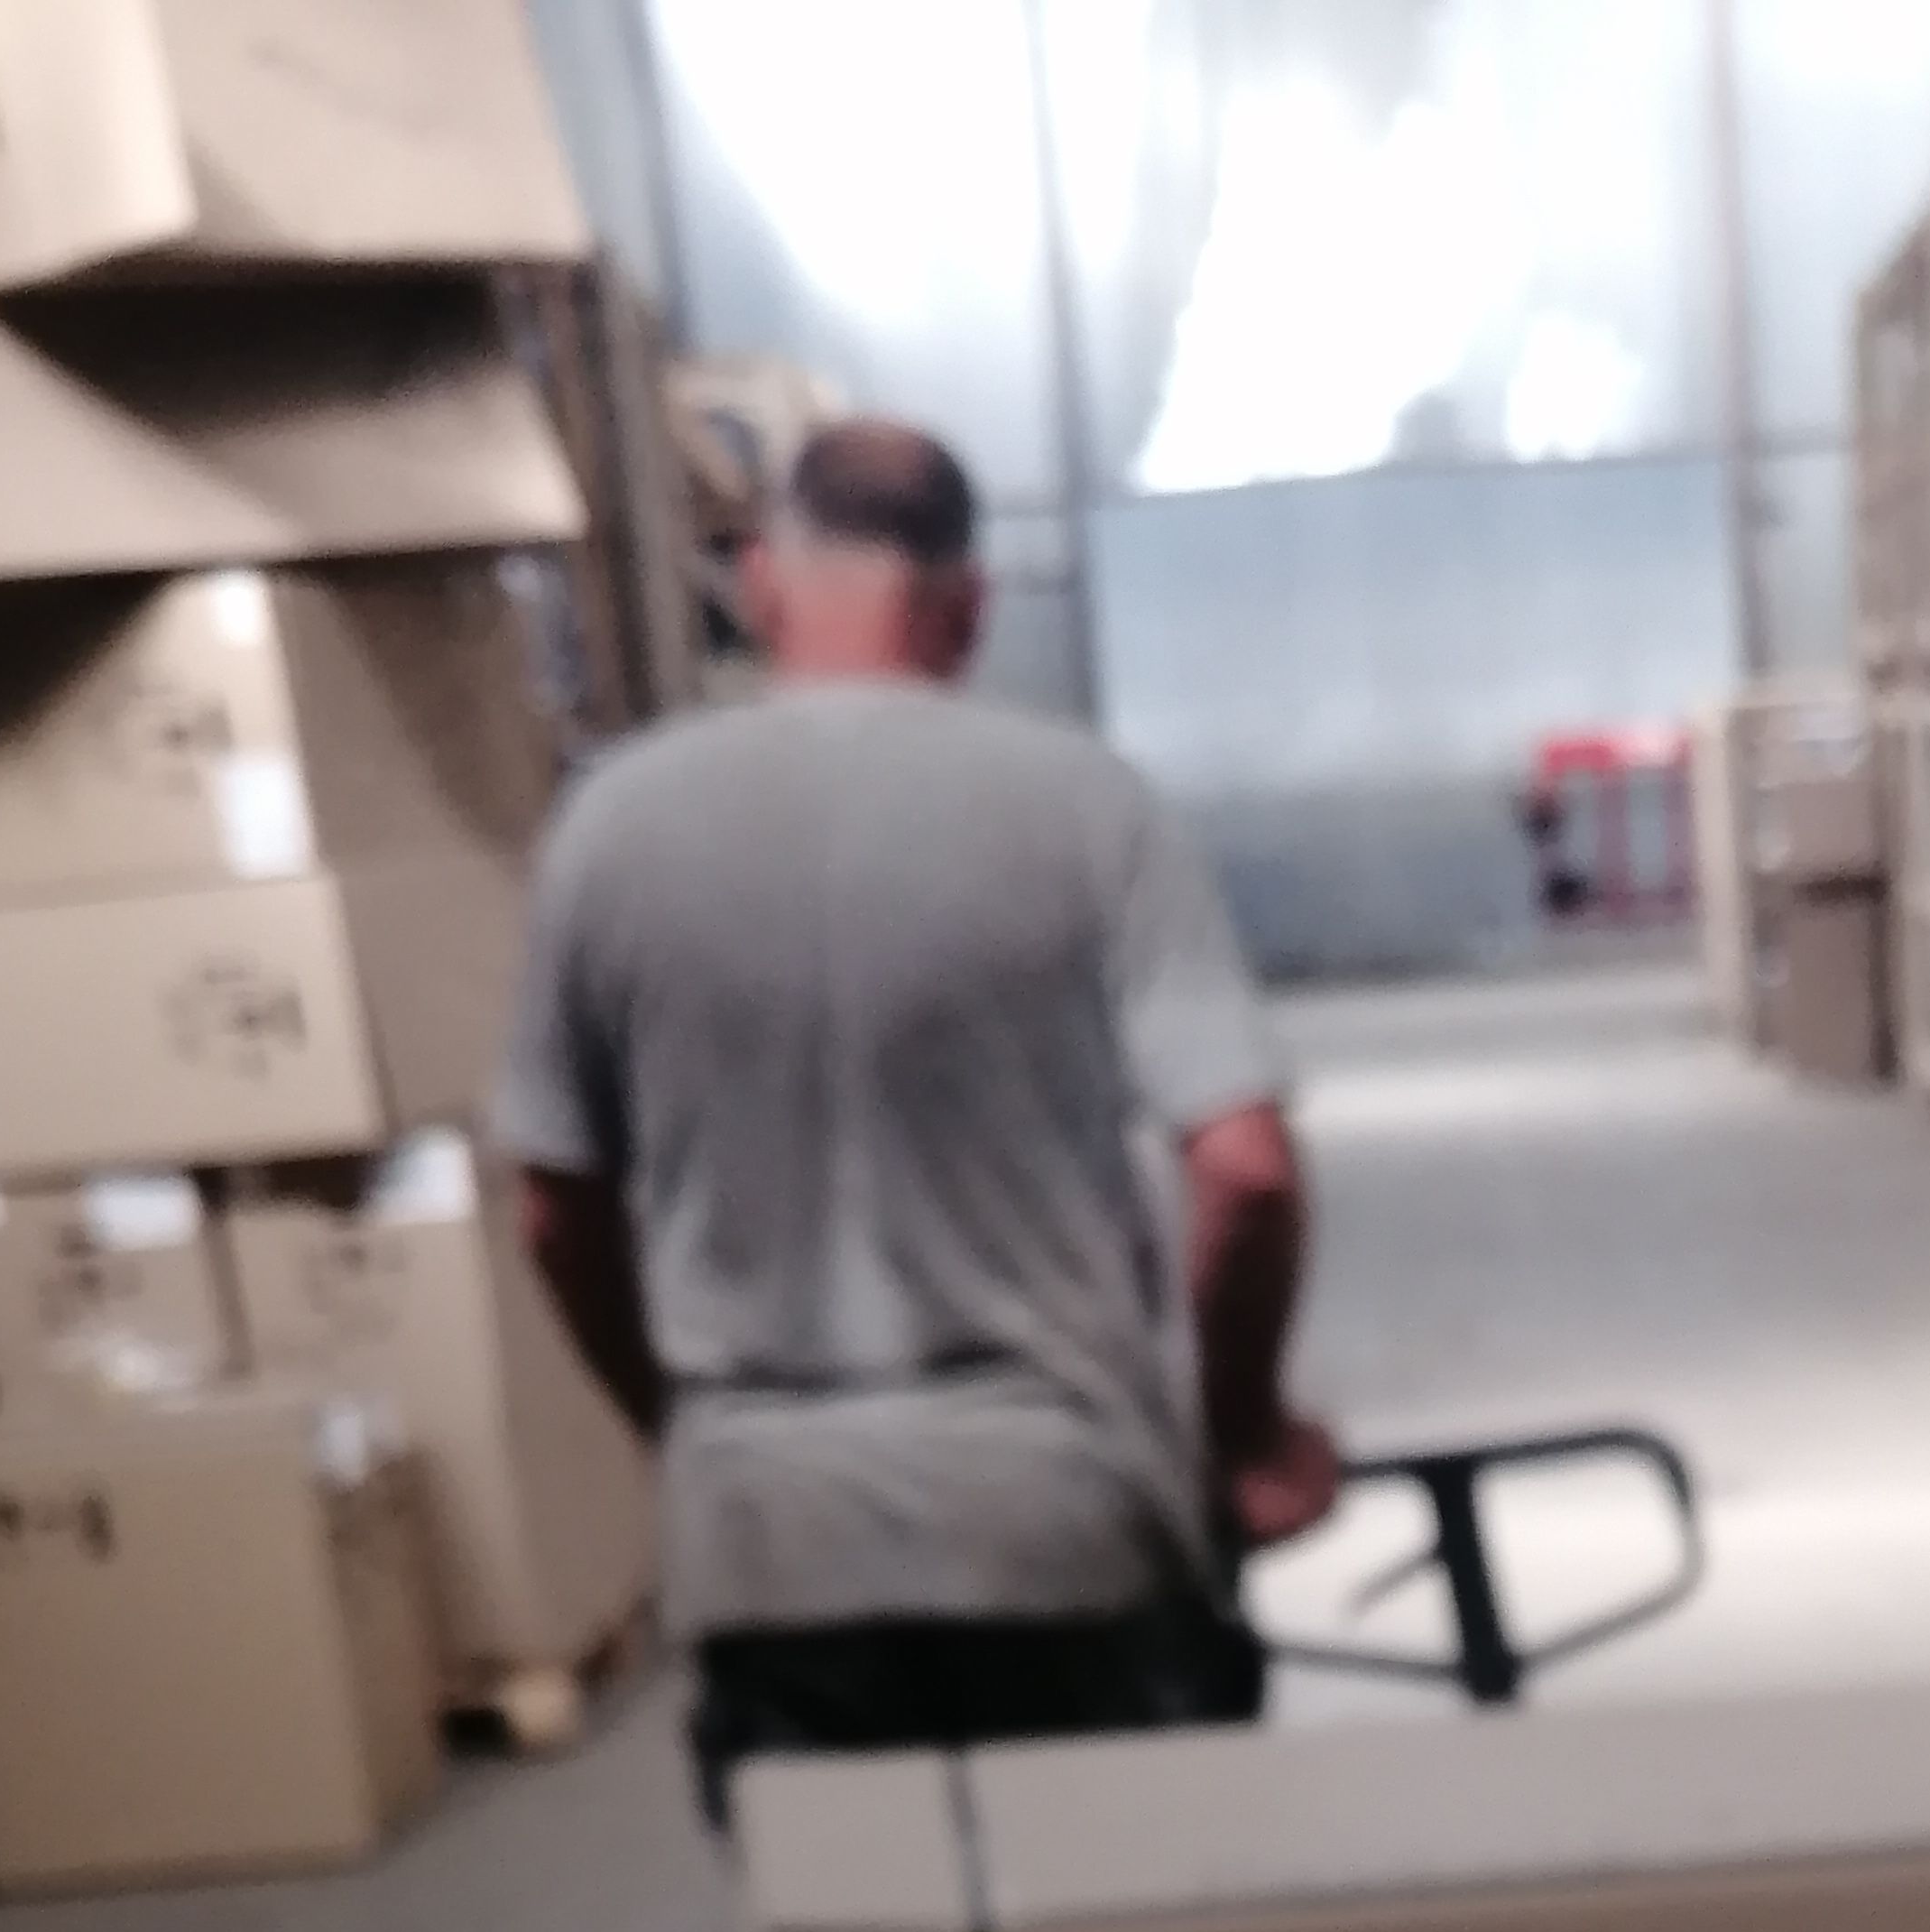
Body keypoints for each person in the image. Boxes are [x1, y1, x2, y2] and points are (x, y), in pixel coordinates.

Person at [496, 415, 1343, 1808]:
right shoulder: (1087, 806)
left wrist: (689, 1428)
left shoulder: (611, 829)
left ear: (761, 584)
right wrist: (1242, 1436)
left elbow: (552, 1214)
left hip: (768, 1546)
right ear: (971, 606)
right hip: (1058, 1525)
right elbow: (1246, 1170)